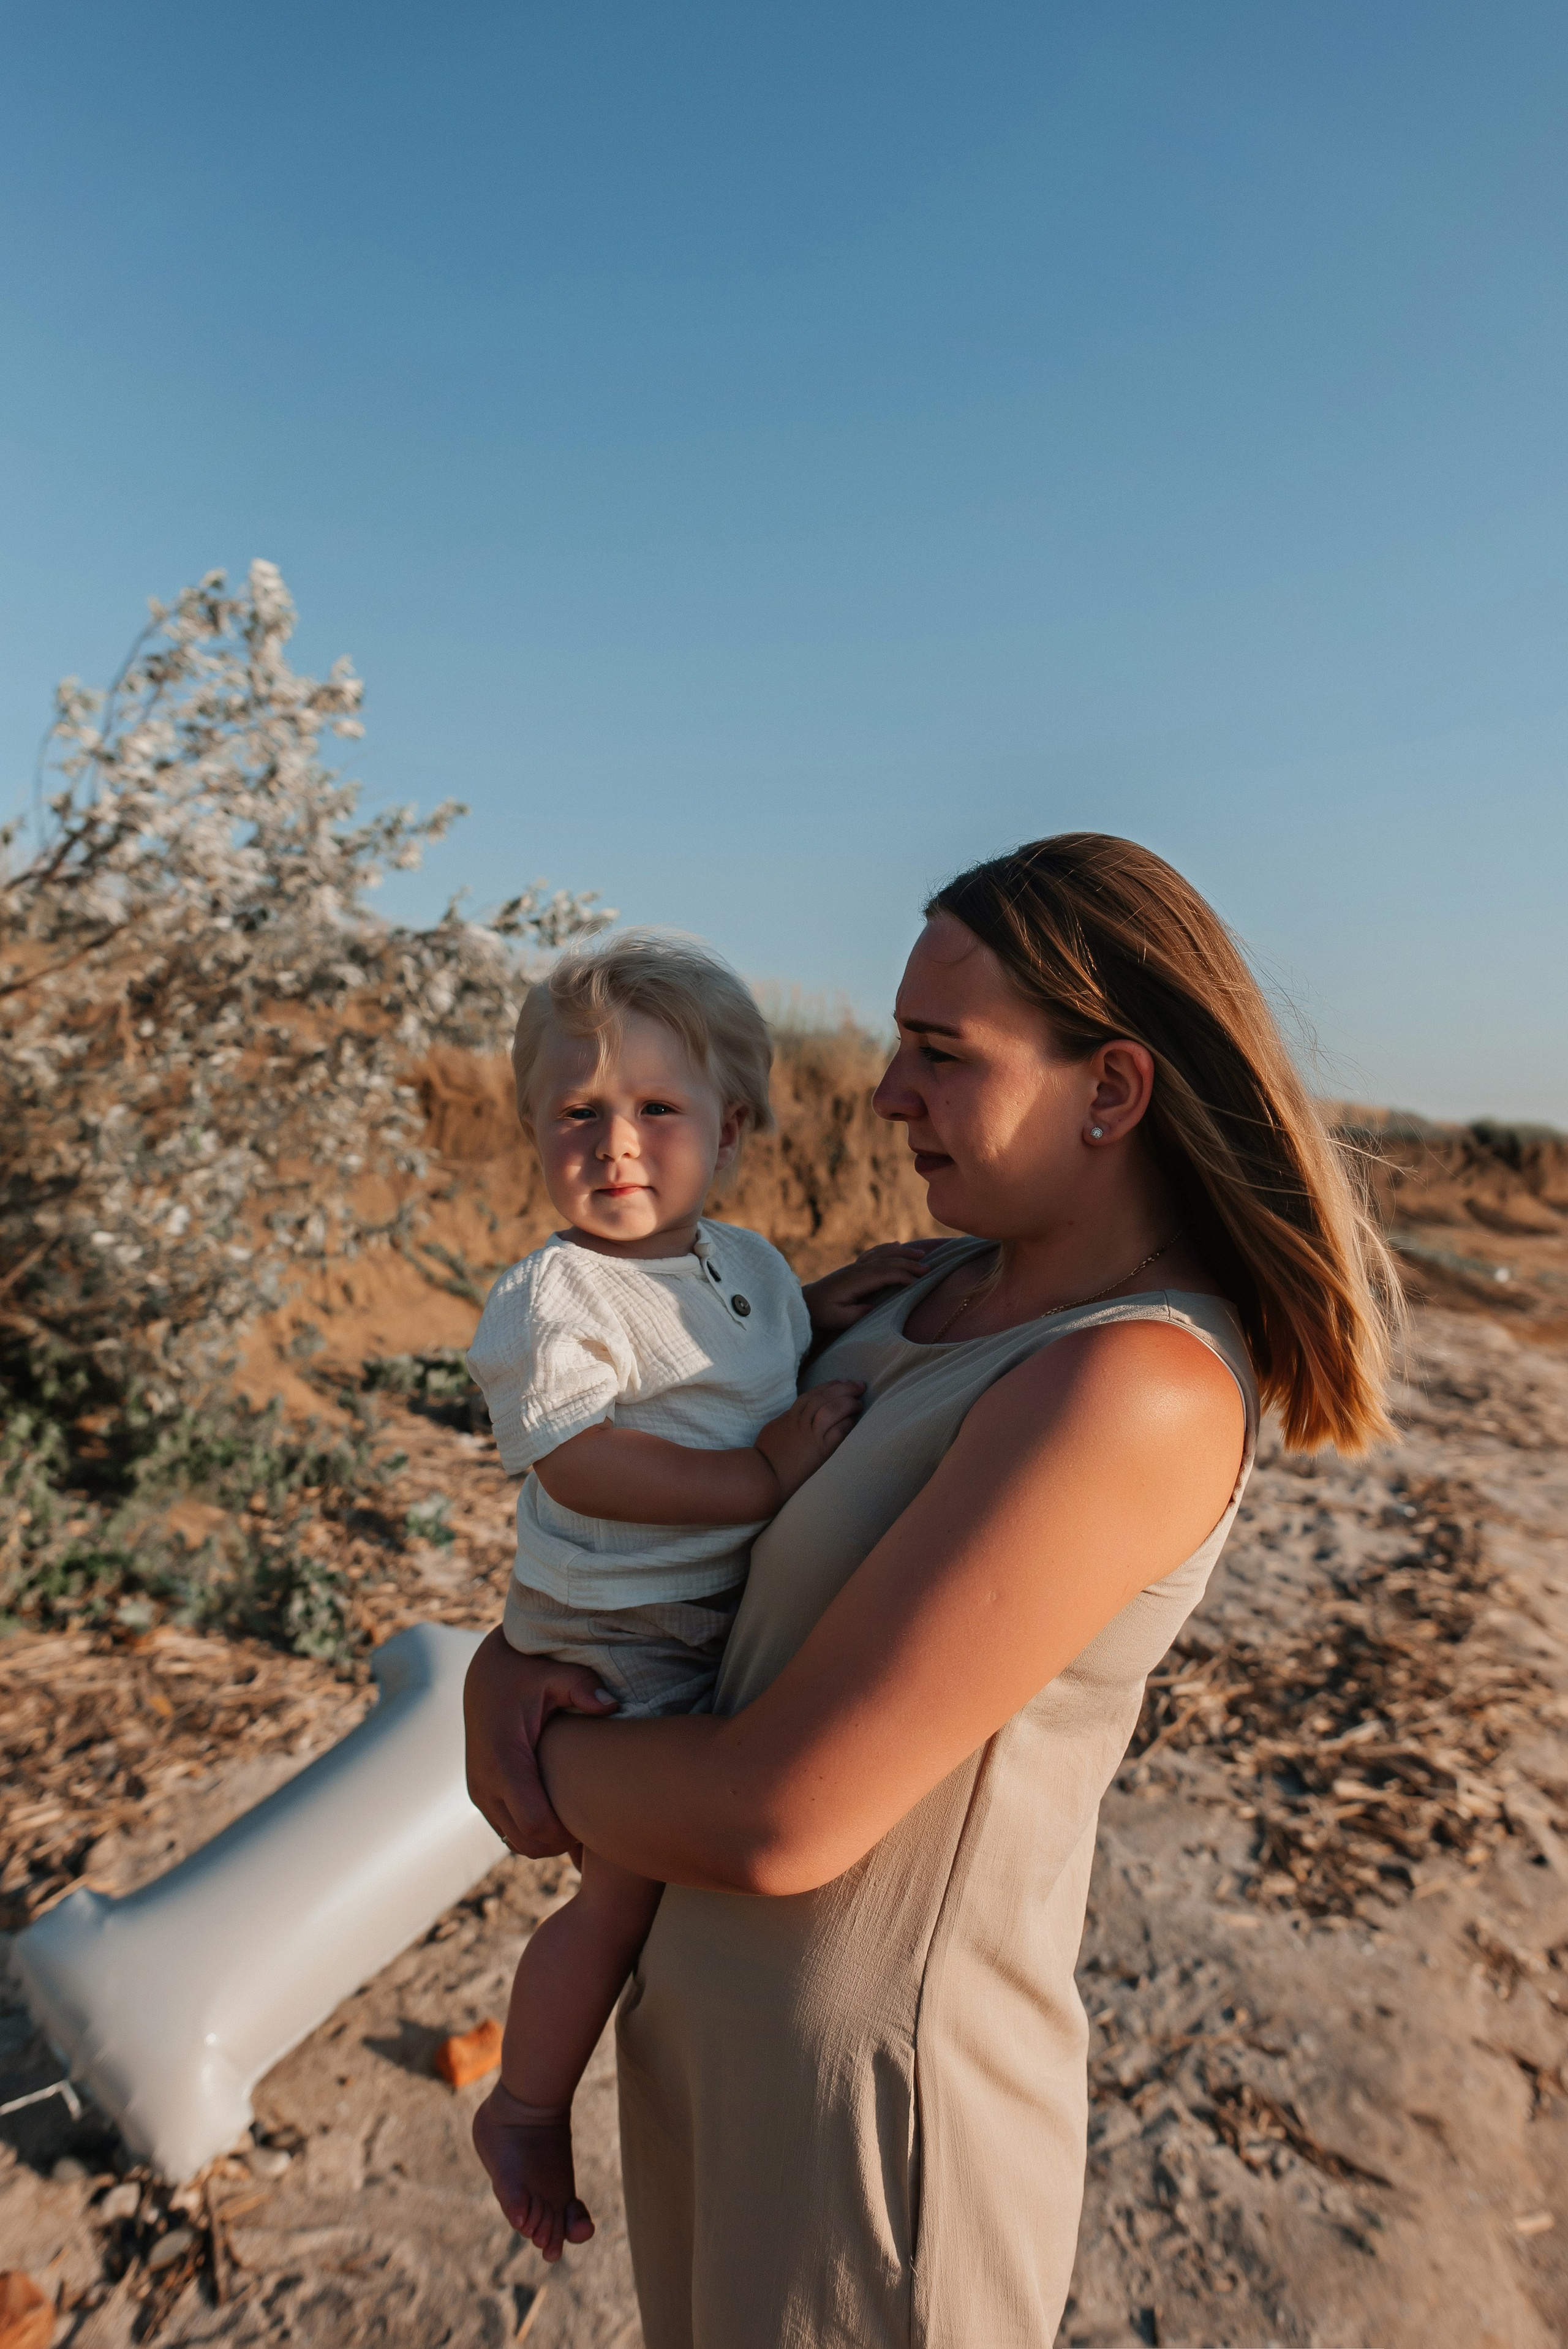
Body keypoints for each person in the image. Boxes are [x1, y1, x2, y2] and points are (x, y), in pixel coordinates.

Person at [464, 834, 1399, 2347]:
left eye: (937, 1052)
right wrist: (503, 1662)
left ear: (1109, 1091)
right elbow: (683, 1551)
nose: (886, 1092)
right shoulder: (910, 1298)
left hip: (869, 2131)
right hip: (709, 2053)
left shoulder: (1132, 1383)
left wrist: (517, 1749)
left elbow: (778, 1814)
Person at [463, 931, 937, 2259]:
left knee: (665, 1904)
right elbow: (580, 1456)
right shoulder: (554, 1293)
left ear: (729, 1131)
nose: (616, 1143)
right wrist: (753, 1480)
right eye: (578, 1113)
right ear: (531, 1129)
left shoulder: (745, 1264)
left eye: (655, 1110)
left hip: (691, 1621)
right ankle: (524, 2102)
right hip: (615, 1634)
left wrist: (834, 1301)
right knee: (611, 1902)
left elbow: (758, 1348)